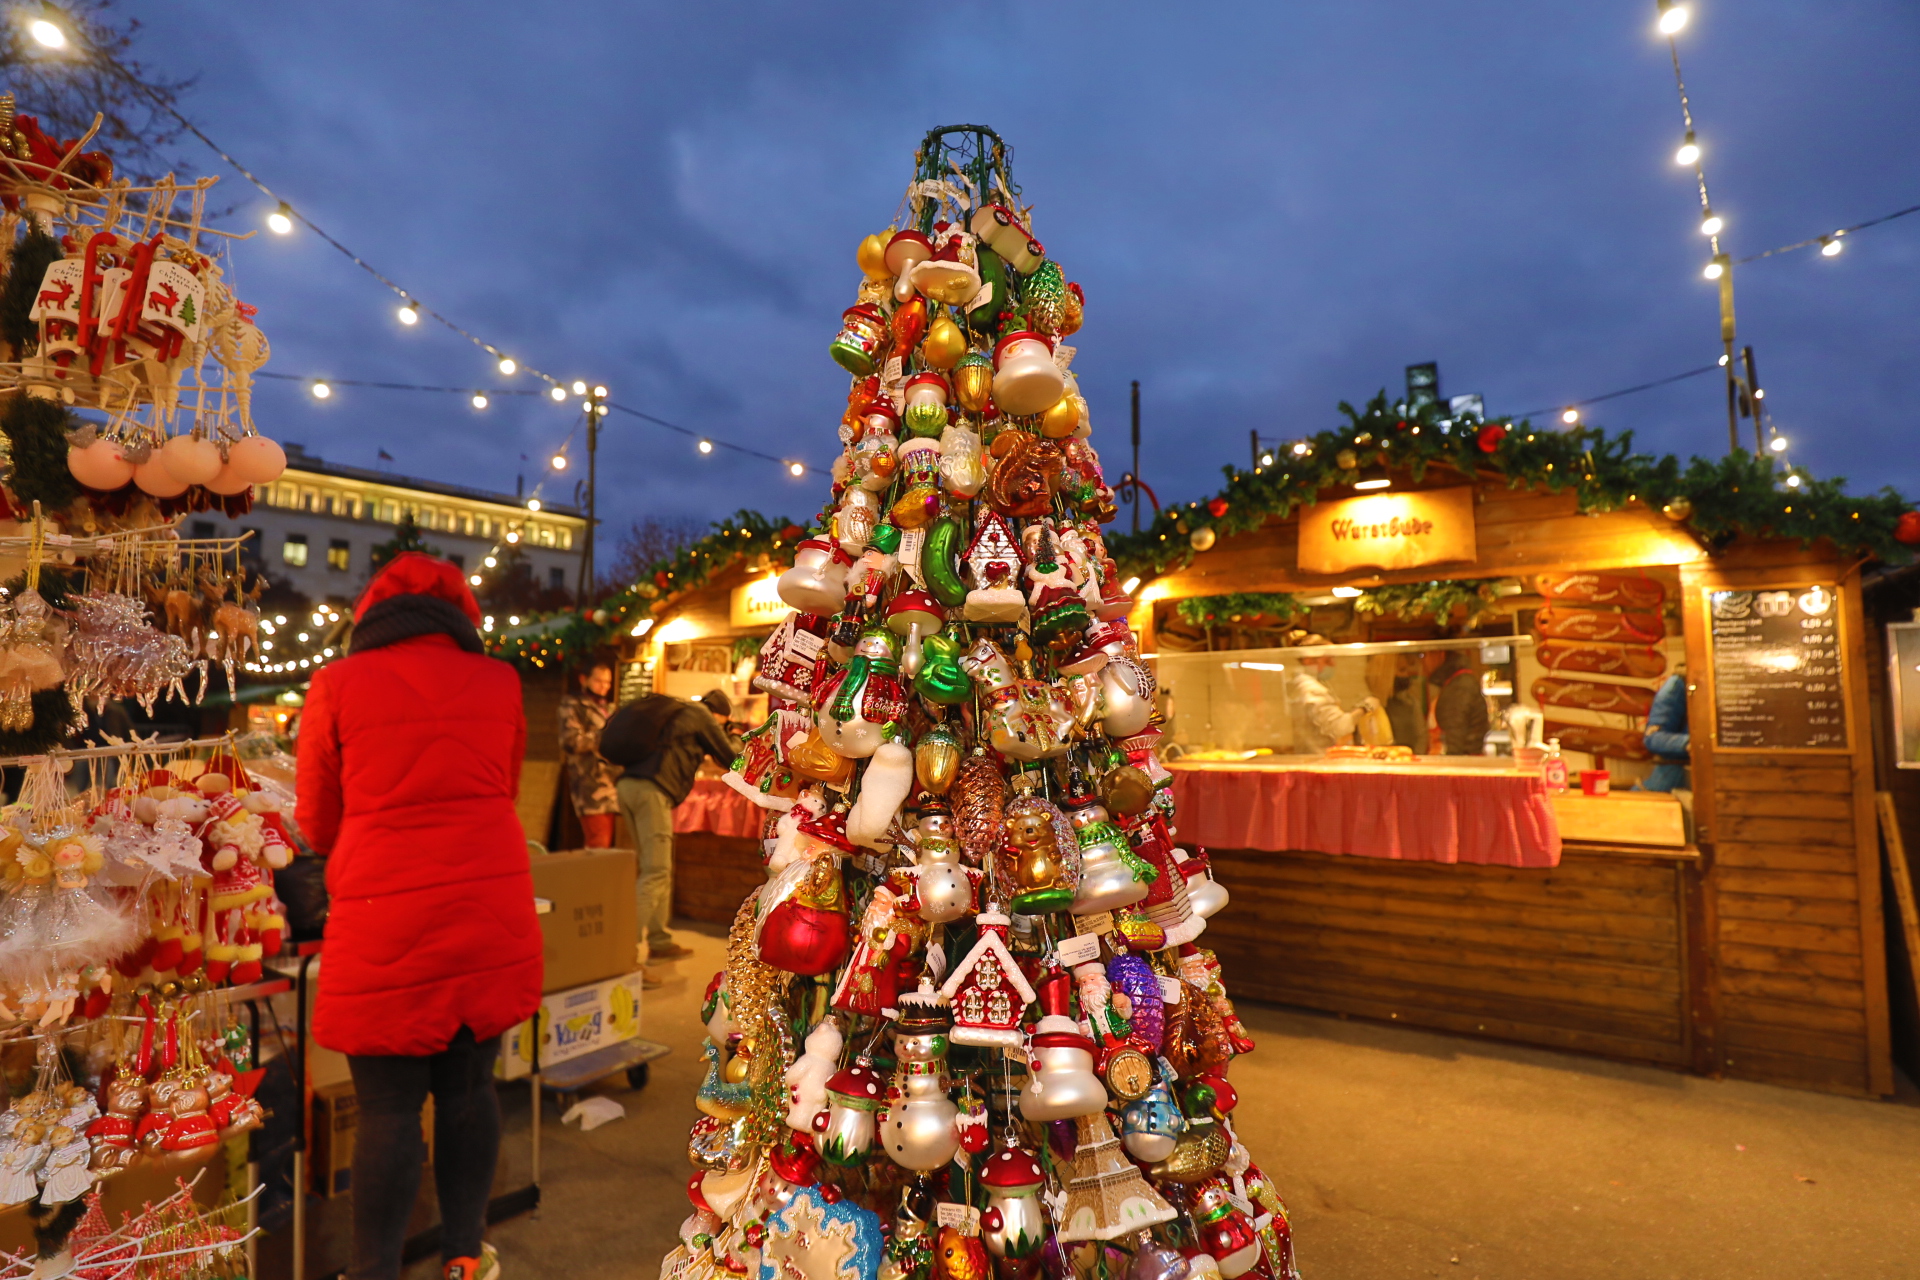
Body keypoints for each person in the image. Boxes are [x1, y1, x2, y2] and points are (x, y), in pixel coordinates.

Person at [297, 553, 541, 1280]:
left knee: (389, 1109)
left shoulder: (337, 683)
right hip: (489, 907)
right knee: (470, 1087)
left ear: (370, 616)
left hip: (384, 912)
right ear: (461, 617)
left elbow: (315, 817)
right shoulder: (500, 680)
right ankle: (465, 1254)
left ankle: (375, 1271)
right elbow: (508, 780)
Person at [599, 687, 739, 966]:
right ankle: (623, 958)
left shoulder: (678, 713)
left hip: (630, 787)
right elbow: (732, 758)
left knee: (659, 870)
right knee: (656, 873)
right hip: (651, 792)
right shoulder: (701, 715)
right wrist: (734, 735)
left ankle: (660, 942)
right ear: (721, 716)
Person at [558, 660, 622, 848]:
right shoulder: (571, 705)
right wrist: (604, 736)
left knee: (606, 842)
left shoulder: (610, 708)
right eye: (599, 681)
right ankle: (592, 878)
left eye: (608, 682)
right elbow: (570, 742)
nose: (604, 687)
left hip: (613, 785)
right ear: (583, 679)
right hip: (589, 785)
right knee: (598, 842)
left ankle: (600, 877)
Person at [1285, 636, 1378, 754]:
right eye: (1328, 660)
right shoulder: (1311, 689)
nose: (1333, 664)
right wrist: (1365, 708)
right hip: (1317, 756)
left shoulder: (1309, 684)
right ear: (1308, 660)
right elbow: (1340, 727)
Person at [1424, 648, 1489, 755]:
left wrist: (1448, 766)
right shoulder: (1459, 682)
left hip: (1464, 763)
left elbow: (1455, 737)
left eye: (1426, 655)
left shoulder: (1459, 687)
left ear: (1440, 654)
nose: (1425, 661)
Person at [1639, 670, 1691, 791]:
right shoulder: (1680, 683)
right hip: (1671, 783)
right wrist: (1689, 743)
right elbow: (1653, 738)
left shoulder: (1735, 681)